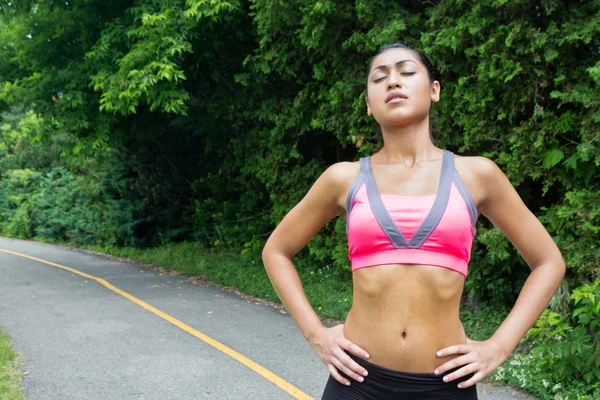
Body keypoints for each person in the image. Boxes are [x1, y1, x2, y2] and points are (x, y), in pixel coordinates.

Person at [261, 43, 566, 399]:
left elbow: (548, 262)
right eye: (380, 78)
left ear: (434, 90)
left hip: (445, 386)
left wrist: (498, 346)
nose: (393, 82)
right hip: (357, 384)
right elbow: (276, 251)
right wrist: (317, 334)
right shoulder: (343, 179)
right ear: (368, 104)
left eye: (406, 72)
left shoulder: (477, 175)